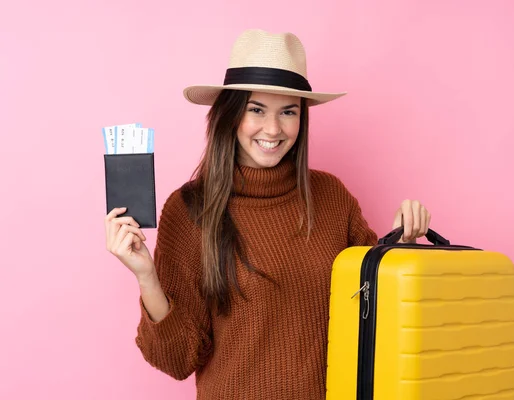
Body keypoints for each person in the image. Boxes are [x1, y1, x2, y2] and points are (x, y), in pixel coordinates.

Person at [104, 29, 432, 400]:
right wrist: (146, 276)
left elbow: (375, 312)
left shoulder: (331, 197)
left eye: (288, 112)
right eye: (256, 110)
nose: (273, 129)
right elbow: (178, 360)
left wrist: (400, 247)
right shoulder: (189, 210)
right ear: (229, 115)